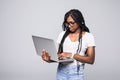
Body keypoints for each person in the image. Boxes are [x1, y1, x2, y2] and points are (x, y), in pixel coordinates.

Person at [41, 9, 95, 80]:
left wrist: (71, 55)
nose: (69, 26)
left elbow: (91, 60)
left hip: (76, 73)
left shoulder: (88, 37)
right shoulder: (62, 35)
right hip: (61, 71)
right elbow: (59, 56)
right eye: (67, 23)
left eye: (72, 23)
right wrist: (49, 60)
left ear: (79, 21)